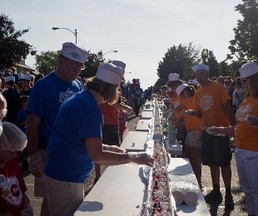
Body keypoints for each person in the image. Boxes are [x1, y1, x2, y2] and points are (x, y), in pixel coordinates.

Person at [43, 62, 153, 216]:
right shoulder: (89, 107)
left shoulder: (83, 98)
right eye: (117, 89)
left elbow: (80, 140)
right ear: (109, 89)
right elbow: (96, 155)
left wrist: (107, 147)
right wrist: (134, 158)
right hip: (66, 175)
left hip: (63, 172)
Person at [209, 61, 258, 216]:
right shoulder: (247, 99)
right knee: (248, 191)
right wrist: (221, 130)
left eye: (244, 81)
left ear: (255, 80)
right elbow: (241, 129)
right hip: (243, 150)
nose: (242, 84)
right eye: (241, 81)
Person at [26, 42, 89, 216]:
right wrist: (33, 155)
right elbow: (32, 122)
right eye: (72, 63)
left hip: (72, 154)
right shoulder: (43, 85)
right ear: (61, 60)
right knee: (50, 198)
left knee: (72, 198)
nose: (76, 68)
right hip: (49, 151)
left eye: (80, 65)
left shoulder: (78, 86)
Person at [186, 64, 236, 209]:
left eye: (202, 74)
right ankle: (216, 190)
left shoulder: (218, 88)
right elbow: (201, 113)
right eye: (197, 75)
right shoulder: (198, 92)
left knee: (224, 163)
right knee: (212, 163)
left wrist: (233, 129)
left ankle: (228, 193)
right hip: (206, 131)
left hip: (221, 131)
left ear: (207, 73)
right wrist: (194, 113)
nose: (199, 77)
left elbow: (227, 108)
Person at [0, 93, 33, 216]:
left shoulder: (13, 166)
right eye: (12, 151)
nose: (15, 156)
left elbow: (22, 193)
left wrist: (27, 206)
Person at [176, 83, 202, 188]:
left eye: (182, 95)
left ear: (186, 93)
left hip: (196, 131)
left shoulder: (190, 99)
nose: (181, 98)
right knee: (188, 155)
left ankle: (198, 183)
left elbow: (177, 108)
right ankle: (193, 181)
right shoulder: (190, 100)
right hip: (191, 131)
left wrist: (170, 115)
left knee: (194, 159)